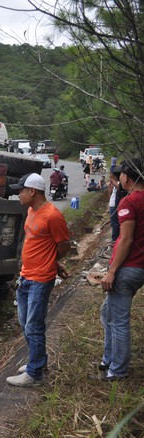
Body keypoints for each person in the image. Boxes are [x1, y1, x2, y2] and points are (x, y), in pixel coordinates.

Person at [6, 173, 70, 386]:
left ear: (32, 191)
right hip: (26, 276)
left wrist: (52, 262)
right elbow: (37, 242)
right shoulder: (32, 210)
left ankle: (34, 374)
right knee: (26, 323)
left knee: (34, 325)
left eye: (20, 191)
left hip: (40, 279)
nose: (18, 195)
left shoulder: (53, 216)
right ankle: (38, 361)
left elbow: (63, 245)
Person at [98, 158, 144, 381]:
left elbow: (125, 240)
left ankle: (117, 370)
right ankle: (108, 359)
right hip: (138, 268)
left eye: (121, 175)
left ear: (126, 177)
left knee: (118, 321)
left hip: (127, 268)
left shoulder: (130, 201)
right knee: (107, 313)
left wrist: (112, 271)